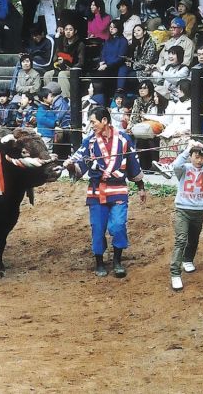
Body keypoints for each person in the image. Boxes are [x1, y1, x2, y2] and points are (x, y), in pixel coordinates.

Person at [64, 107, 147, 278]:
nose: (91, 125)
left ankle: (117, 261)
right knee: (98, 227)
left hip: (118, 189)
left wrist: (141, 187)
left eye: (93, 121)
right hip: (96, 191)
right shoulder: (89, 142)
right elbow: (79, 165)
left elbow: (133, 164)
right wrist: (71, 166)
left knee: (118, 225)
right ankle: (99, 262)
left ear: (104, 121)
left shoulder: (123, 139)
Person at [169, 140, 203, 291]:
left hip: (199, 210)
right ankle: (175, 273)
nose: (199, 160)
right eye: (196, 157)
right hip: (183, 210)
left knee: (194, 238)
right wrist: (188, 149)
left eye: (202, 157)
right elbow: (176, 165)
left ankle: (188, 259)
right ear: (190, 156)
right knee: (181, 240)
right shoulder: (184, 168)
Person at [44, 23, 85, 98]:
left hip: (73, 69)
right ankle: (50, 97)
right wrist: (57, 62)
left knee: (62, 74)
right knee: (47, 74)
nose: (68, 32)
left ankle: (66, 98)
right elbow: (55, 57)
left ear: (75, 31)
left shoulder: (80, 44)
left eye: (70, 30)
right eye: (66, 30)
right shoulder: (61, 42)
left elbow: (81, 62)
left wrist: (72, 68)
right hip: (61, 67)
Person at [96, 19, 128, 96]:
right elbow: (103, 53)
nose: (111, 29)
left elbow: (121, 58)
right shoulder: (108, 40)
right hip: (105, 65)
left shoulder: (123, 41)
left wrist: (107, 65)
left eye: (114, 27)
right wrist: (102, 61)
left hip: (116, 66)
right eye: (110, 27)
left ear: (119, 28)